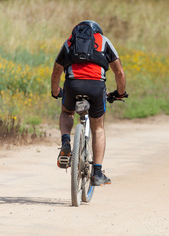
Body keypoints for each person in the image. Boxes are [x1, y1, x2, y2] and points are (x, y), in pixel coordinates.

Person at [50, 20, 126, 186]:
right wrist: (120, 93)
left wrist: (55, 91)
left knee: (67, 112)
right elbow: (119, 72)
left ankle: (65, 142)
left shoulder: (69, 41)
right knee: (98, 127)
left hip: (72, 85)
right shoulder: (104, 41)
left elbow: (56, 71)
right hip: (96, 87)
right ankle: (97, 173)